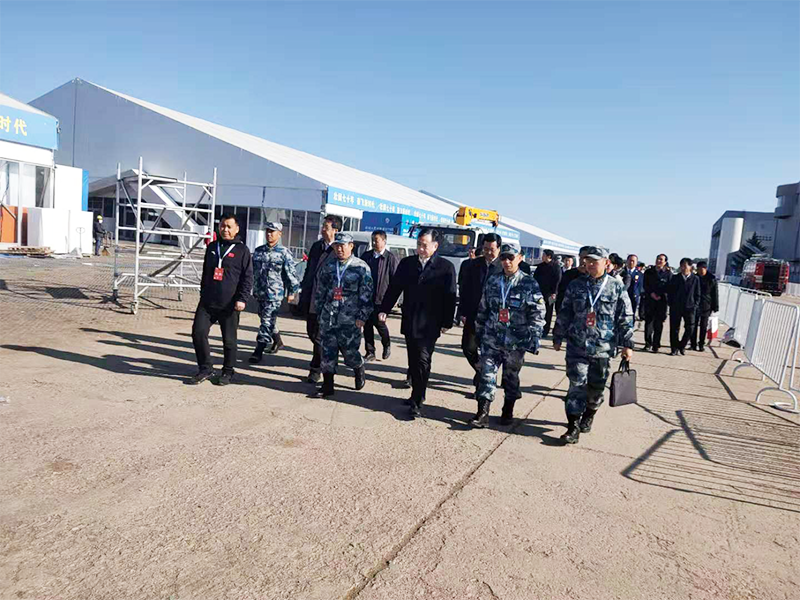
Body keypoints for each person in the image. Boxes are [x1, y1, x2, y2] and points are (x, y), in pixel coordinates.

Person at [553, 246, 634, 444]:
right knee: (576, 385)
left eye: (594, 261)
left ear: (606, 263)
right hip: (577, 345)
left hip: (603, 348)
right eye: (587, 261)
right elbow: (565, 312)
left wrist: (627, 343)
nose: (589, 265)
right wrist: (558, 334)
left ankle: (589, 414)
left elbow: (625, 317)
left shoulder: (616, 287)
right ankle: (572, 426)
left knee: (596, 388)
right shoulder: (576, 285)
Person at [379, 228, 457, 418]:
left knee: (423, 359)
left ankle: (417, 400)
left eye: (424, 245)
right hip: (410, 319)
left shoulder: (445, 267)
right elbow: (395, 288)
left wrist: (447, 321)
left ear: (435, 246)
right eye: (418, 245)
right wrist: (384, 309)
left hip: (430, 323)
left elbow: (450, 296)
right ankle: (416, 393)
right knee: (413, 359)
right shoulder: (407, 264)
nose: (420, 249)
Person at [470, 244, 546, 428]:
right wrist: (478, 332)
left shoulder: (528, 283)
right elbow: (483, 308)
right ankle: (482, 413)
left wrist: (534, 338)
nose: (506, 261)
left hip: (516, 341)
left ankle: (508, 410)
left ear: (520, 258)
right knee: (486, 375)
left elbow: (538, 313)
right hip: (492, 338)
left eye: (510, 257)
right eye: (503, 257)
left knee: (510, 378)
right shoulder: (493, 281)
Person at [189, 214, 253, 386]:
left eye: (229, 226)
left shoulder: (242, 251)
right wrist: (203, 292)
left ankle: (228, 371)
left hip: (230, 304)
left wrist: (242, 299)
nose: (225, 229)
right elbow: (206, 272)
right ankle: (205, 368)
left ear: (237, 229)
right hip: (208, 302)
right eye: (222, 226)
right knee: (198, 332)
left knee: (229, 340)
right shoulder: (212, 247)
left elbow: (247, 277)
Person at [313, 233, 374, 397]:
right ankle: (327, 386)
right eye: (336, 246)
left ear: (351, 246)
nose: (339, 249)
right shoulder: (328, 266)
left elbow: (367, 295)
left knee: (350, 353)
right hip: (329, 316)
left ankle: (358, 367)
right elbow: (320, 291)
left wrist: (363, 316)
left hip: (350, 319)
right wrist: (318, 312)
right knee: (327, 352)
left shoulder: (361, 267)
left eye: (343, 245)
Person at [249, 222, 300, 363]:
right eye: (267, 231)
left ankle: (259, 349)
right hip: (260, 292)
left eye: (272, 231)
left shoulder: (284, 253)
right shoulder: (259, 251)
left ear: (279, 234)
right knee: (265, 318)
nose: (269, 234)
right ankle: (278, 341)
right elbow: (252, 271)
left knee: (266, 321)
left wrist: (292, 291)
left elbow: (291, 274)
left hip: (274, 293)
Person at [457, 233, 502, 394]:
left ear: (498, 249)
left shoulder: (503, 267)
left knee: (489, 353)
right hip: (474, 315)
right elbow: (465, 288)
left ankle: (483, 387)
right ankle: (480, 370)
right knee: (468, 347)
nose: (488, 252)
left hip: (494, 319)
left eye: (492, 249)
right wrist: (461, 311)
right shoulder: (474, 265)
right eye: (485, 249)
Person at [300, 215, 341, 383]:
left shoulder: (338, 250)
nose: (323, 229)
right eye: (323, 226)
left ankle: (316, 369)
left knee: (319, 336)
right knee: (311, 332)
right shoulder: (317, 247)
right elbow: (309, 269)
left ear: (335, 231)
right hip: (312, 297)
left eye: (326, 227)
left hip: (327, 300)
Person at [362, 230, 399, 361]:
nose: (374, 243)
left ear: (384, 241)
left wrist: (393, 299)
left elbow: (395, 280)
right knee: (367, 325)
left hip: (381, 298)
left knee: (380, 324)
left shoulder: (390, 258)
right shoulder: (366, 256)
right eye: (373, 240)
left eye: (376, 240)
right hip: (366, 297)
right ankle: (370, 352)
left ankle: (386, 344)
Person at [668, 258, 701, 356]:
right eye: (681, 266)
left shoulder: (695, 279)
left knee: (690, 328)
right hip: (676, 307)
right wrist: (671, 303)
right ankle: (674, 349)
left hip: (690, 307)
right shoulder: (675, 278)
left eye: (685, 266)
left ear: (690, 267)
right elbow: (670, 293)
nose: (683, 268)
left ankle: (682, 345)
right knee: (674, 328)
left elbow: (697, 294)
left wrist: (695, 305)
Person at [643, 254, 672, 352]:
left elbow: (670, 287)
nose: (659, 261)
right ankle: (648, 343)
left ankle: (656, 344)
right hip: (650, 300)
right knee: (648, 323)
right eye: (658, 259)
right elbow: (645, 285)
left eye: (661, 260)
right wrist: (651, 293)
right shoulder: (648, 272)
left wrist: (661, 295)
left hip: (661, 302)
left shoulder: (668, 274)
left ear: (665, 262)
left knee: (658, 324)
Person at [691, 261, 719, 352]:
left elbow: (715, 294)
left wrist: (715, 306)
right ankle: (693, 343)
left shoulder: (712, 279)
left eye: (702, 269)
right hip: (695, 304)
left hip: (706, 305)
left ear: (705, 268)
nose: (700, 271)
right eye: (698, 269)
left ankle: (701, 344)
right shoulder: (695, 278)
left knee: (703, 325)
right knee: (693, 325)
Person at [533, 249, 561, 337]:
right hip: (540, 292)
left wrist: (554, 292)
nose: (542, 257)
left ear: (549, 256)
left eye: (544, 255)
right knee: (538, 310)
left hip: (551, 293)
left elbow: (557, 280)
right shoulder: (541, 266)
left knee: (549, 311)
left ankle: (546, 329)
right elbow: (535, 277)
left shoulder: (556, 266)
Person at [556, 246, 590, 315]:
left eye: (587, 258)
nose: (583, 261)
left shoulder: (593, 277)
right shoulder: (569, 274)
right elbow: (561, 294)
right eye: (582, 257)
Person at [622, 254, 643, 319]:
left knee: (631, 315)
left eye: (633, 261)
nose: (631, 262)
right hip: (622, 297)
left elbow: (640, 286)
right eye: (630, 260)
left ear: (636, 262)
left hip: (633, 297)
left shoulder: (639, 274)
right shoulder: (621, 272)